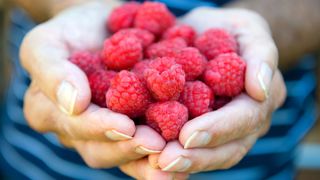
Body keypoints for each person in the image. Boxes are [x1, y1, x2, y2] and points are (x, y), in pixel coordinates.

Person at [0, 0, 319, 179]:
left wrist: (266, 26)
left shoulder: (186, 68)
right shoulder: (124, 68)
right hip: (37, 163)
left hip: (257, 163)